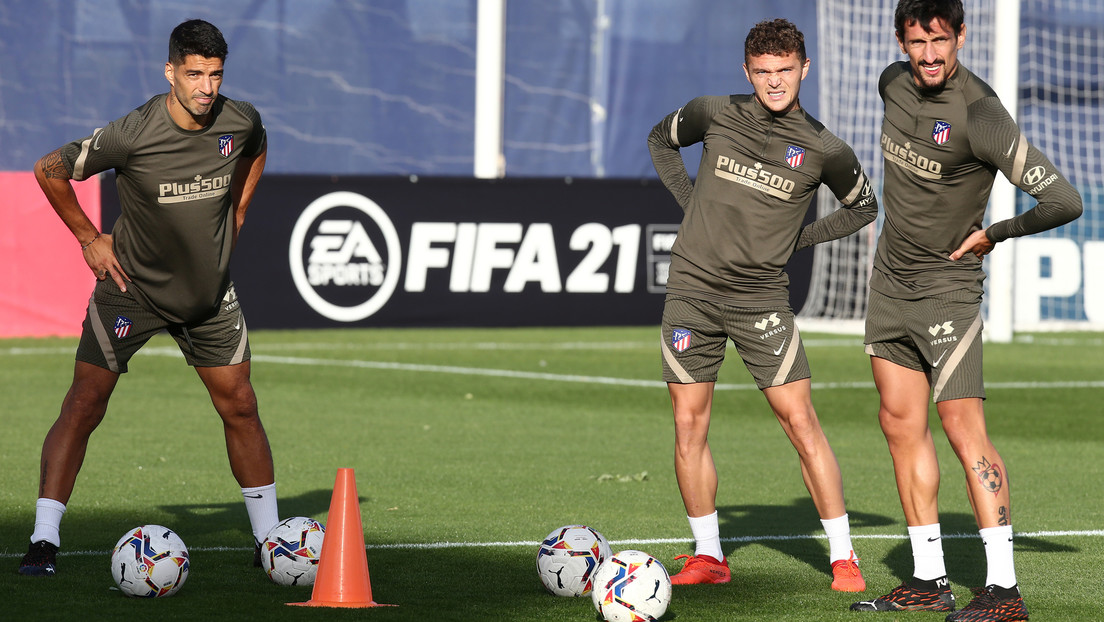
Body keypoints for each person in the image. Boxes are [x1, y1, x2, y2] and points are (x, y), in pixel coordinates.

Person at [18, 19, 280, 576]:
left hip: (208, 298)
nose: (206, 87)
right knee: (84, 405)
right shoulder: (132, 133)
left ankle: (269, 543)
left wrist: (239, 211)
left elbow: (256, 148)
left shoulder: (240, 120)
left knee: (241, 407)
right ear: (170, 73)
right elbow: (49, 170)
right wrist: (90, 237)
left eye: (215, 74)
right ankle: (44, 540)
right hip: (129, 292)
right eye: (194, 74)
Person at [850, 1, 1082, 619]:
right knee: (900, 426)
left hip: (947, 290)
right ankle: (929, 580)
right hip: (889, 285)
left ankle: (1004, 591)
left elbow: (1064, 199)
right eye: (917, 41)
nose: (929, 55)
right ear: (900, 40)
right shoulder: (890, 83)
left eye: (941, 40)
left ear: (961, 36)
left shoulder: (982, 115)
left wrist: (996, 231)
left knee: (961, 428)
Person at [647, 18, 878, 593]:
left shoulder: (826, 148)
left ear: (805, 68)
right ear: (746, 72)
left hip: (761, 300)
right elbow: (660, 139)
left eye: (785, 70)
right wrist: (692, 203)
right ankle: (708, 556)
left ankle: (844, 557)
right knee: (687, 423)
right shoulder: (713, 111)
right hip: (691, 291)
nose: (775, 82)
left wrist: (795, 239)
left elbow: (863, 207)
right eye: (763, 72)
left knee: (800, 423)